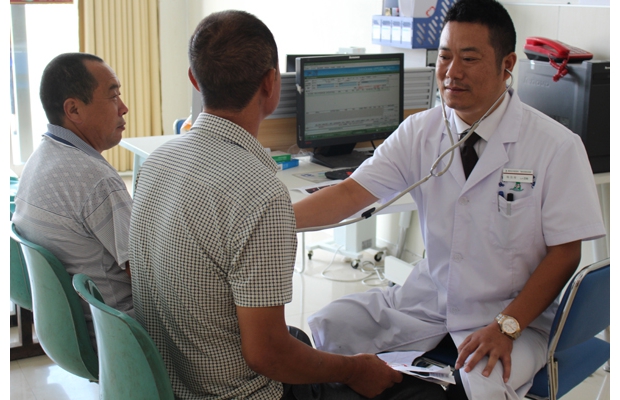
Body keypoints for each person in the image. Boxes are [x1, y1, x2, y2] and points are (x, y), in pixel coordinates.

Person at [128, 10, 447, 400]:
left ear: (194, 79)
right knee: (411, 392)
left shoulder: (158, 161)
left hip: (168, 377)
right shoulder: (260, 194)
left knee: (306, 338)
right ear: (271, 83)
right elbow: (268, 355)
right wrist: (355, 370)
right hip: (234, 393)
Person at [294, 0, 606, 399]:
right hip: (427, 302)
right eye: (444, 56)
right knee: (330, 324)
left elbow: (566, 253)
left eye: (469, 59)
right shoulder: (420, 132)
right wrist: (271, 219)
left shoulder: (555, 146)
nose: (452, 72)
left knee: (479, 386)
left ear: (507, 65)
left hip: (514, 316)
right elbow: (349, 193)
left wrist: (507, 326)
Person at [12, 52, 134, 344]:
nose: (124, 107)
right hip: (120, 335)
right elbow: (148, 273)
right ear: (74, 110)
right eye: (113, 96)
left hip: (72, 330)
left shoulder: (38, 159)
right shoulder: (97, 181)